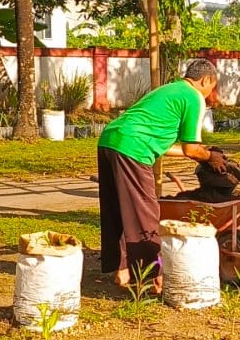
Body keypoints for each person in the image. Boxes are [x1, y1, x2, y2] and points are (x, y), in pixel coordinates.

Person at [97, 59, 227, 291]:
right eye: (211, 87)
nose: (209, 94)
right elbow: (192, 149)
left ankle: (123, 270)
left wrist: (203, 155)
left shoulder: (169, 90)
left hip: (110, 139)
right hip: (132, 147)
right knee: (145, 212)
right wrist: (211, 157)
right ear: (206, 80)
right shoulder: (193, 96)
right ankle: (153, 277)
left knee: (117, 209)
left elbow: (166, 146)